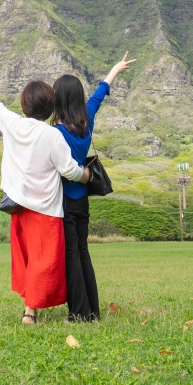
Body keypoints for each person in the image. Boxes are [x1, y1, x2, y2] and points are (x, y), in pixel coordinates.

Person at [0, 65, 90, 324]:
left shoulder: (12, 124)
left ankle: (30, 311)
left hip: (17, 207)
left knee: (26, 259)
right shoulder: (52, 135)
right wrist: (88, 176)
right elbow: (69, 170)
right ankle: (31, 310)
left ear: (24, 105)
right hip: (46, 210)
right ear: (51, 108)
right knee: (44, 261)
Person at [52, 52, 137, 322]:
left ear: (58, 100)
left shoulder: (57, 133)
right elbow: (100, 93)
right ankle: (93, 312)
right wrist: (115, 70)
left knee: (71, 257)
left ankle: (78, 313)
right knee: (84, 253)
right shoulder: (86, 121)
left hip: (65, 201)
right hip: (83, 200)